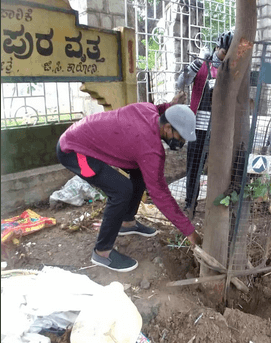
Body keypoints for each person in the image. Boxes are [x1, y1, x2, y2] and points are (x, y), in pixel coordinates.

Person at [56, 93, 202, 272]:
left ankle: (127, 222)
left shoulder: (148, 110)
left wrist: (169, 105)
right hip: (73, 150)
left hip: (83, 138)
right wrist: (189, 231)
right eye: (180, 137)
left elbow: (158, 109)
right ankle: (102, 252)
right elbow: (160, 194)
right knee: (121, 190)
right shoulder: (151, 149)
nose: (181, 142)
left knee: (140, 173)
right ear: (168, 128)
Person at [176, 31, 234, 217]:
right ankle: (190, 205)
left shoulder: (230, 69)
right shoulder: (202, 65)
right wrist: (200, 61)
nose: (224, 56)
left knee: (221, 168)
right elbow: (181, 82)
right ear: (218, 48)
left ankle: (217, 206)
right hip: (198, 127)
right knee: (194, 168)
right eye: (224, 52)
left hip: (220, 128)